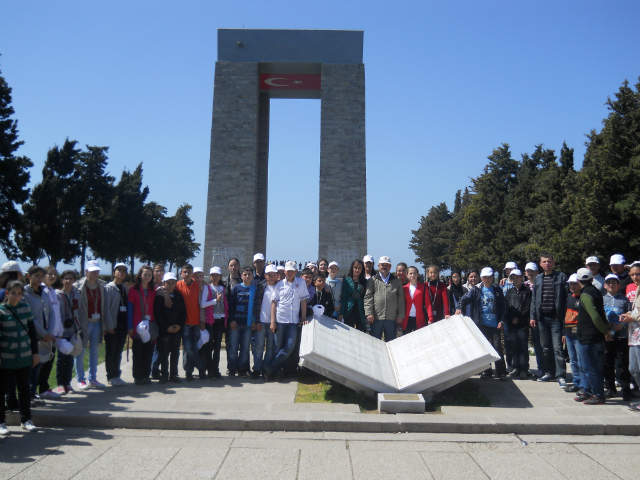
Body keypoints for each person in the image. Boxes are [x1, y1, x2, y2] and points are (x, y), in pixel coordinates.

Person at [0, 280, 39, 434]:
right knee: (1, 390)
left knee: (24, 389)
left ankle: (26, 419)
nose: (16, 296)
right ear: (7, 293)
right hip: (6, 357)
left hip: (24, 355)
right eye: (13, 293)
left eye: (19, 293)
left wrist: (35, 352)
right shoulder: (2, 310)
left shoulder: (26, 308)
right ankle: (1, 422)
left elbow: (32, 331)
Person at [456, 267, 507, 380]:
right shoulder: (476, 290)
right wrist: (459, 307)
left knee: (497, 347)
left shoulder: (497, 290)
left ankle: (501, 372)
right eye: (485, 277)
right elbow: (464, 299)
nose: (487, 279)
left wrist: (501, 320)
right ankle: (486, 371)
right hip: (481, 323)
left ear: (492, 277)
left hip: (494, 324)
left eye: (489, 277)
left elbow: (503, 307)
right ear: (482, 278)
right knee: (484, 348)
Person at [265, 261, 309, 382]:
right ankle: (277, 372)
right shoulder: (279, 285)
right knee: (277, 347)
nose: (289, 273)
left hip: (293, 321)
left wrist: (303, 317)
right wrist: (272, 321)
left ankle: (270, 367)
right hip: (280, 320)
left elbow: (303, 301)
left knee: (289, 347)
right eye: (287, 271)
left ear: (296, 272)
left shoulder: (301, 283)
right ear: (284, 272)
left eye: (292, 271)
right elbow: (274, 303)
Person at [529, 253, 569, 385]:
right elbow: (534, 299)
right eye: (544, 262)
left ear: (553, 262)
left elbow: (567, 296)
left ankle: (561, 375)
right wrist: (532, 316)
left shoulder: (561, 277)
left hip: (556, 318)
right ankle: (549, 373)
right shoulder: (538, 278)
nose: (547, 264)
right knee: (545, 348)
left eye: (549, 261)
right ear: (540, 264)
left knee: (558, 348)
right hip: (541, 318)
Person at [574, 268, 610, 405]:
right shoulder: (596, 292)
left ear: (578, 281)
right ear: (591, 279)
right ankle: (587, 391)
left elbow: (595, 315)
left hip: (589, 337)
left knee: (590, 367)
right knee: (586, 366)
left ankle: (598, 395)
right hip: (593, 336)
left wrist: (605, 330)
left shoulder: (585, 295)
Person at [74, 260, 107, 390]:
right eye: (92, 271)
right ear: (86, 271)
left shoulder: (102, 286)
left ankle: (93, 379)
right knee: (80, 352)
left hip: (97, 323)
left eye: (97, 271)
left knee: (94, 351)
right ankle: (80, 379)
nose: (95, 274)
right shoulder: (78, 287)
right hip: (84, 323)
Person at [23, 266, 54, 404]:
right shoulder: (24, 293)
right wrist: (43, 333)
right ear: (29, 276)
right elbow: (30, 318)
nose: (40, 278)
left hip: (44, 336)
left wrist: (50, 332)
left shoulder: (45, 292)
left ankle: (33, 393)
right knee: (30, 367)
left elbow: (51, 313)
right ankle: (27, 396)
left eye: (42, 275)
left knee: (38, 366)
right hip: (31, 335)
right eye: (36, 275)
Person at [602, 273, 632, 400]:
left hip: (622, 336)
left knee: (623, 363)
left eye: (614, 283)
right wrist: (605, 326)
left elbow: (630, 316)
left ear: (618, 285)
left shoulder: (624, 300)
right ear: (604, 285)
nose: (611, 285)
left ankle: (625, 389)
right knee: (607, 363)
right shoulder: (601, 299)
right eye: (609, 283)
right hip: (607, 336)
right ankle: (610, 388)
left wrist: (622, 325)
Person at [153, 272, 186, 384]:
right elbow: (158, 314)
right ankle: (164, 375)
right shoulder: (159, 298)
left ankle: (173, 374)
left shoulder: (179, 296)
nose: (171, 285)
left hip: (176, 330)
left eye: (173, 283)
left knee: (175, 353)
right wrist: (166, 327)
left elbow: (183, 313)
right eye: (168, 283)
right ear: (163, 283)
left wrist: (179, 326)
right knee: (164, 354)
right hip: (164, 331)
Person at [127, 265, 157, 385]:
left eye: (149, 275)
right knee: (138, 352)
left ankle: (146, 375)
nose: (147, 277)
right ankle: (138, 376)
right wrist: (129, 326)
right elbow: (130, 309)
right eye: (145, 274)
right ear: (140, 275)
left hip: (150, 326)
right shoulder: (133, 290)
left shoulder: (153, 290)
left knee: (148, 352)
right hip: (137, 325)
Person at [175, 264, 205, 381]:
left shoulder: (198, 286)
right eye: (184, 272)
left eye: (189, 272)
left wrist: (202, 320)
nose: (186, 274)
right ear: (181, 274)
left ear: (192, 273)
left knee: (193, 348)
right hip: (185, 322)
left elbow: (201, 305)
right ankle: (200, 366)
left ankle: (189, 372)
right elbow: (165, 289)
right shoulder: (177, 285)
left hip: (196, 322)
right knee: (188, 348)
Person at [364, 256, 404, 342]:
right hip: (376, 318)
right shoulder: (372, 280)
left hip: (392, 318)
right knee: (374, 343)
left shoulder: (397, 281)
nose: (384, 267)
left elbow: (400, 299)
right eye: (382, 265)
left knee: (391, 343)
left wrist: (400, 315)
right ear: (378, 266)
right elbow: (368, 297)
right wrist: (369, 313)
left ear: (390, 267)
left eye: (387, 265)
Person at [227, 267, 257, 378]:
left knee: (245, 349)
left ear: (252, 276)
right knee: (233, 348)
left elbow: (256, 307)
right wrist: (232, 320)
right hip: (236, 323)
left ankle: (242, 370)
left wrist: (254, 321)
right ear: (241, 276)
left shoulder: (255, 289)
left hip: (248, 324)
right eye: (245, 274)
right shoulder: (236, 288)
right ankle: (231, 369)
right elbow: (231, 305)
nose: (247, 276)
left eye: (249, 274)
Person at [38, 266, 63, 399]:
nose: (53, 276)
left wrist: (60, 330)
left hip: (55, 333)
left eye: (55, 274)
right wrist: (47, 333)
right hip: (45, 334)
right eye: (50, 274)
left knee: (49, 363)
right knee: (41, 364)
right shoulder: (41, 290)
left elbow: (56, 314)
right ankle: (39, 390)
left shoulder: (53, 291)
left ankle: (43, 388)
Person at [103, 263, 129, 387]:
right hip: (112, 326)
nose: (121, 272)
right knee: (111, 351)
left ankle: (117, 375)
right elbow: (106, 309)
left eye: (123, 271)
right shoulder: (108, 288)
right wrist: (109, 325)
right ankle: (110, 376)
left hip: (122, 325)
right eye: (119, 270)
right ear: (114, 272)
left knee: (118, 351)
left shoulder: (124, 288)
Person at [251, 264, 278, 379]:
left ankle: (265, 368)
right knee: (259, 346)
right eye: (269, 275)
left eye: (274, 275)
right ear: (265, 275)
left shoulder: (280, 287)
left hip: (273, 322)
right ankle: (256, 368)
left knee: (271, 347)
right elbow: (256, 304)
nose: (271, 277)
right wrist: (257, 321)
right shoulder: (260, 286)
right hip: (261, 321)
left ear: (277, 276)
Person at [55, 270, 80, 394]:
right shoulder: (57, 294)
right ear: (62, 280)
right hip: (61, 332)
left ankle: (68, 384)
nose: (68, 281)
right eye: (66, 278)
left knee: (70, 359)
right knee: (61, 359)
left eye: (71, 278)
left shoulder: (77, 294)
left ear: (74, 280)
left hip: (73, 330)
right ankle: (60, 384)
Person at [504, 269, 531, 379]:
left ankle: (524, 368)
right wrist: (510, 319)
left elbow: (527, 307)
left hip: (522, 324)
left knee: (523, 347)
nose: (515, 280)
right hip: (511, 324)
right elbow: (506, 307)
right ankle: (516, 367)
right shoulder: (509, 292)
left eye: (517, 277)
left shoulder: (528, 291)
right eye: (513, 278)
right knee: (513, 347)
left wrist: (518, 318)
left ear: (522, 278)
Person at [200, 267, 226, 380]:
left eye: (217, 275)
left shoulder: (223, 288)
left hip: (220, 320)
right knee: (209, 346)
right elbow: (202, 304)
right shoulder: (207, 287)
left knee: (217, 346)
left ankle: (216, 369)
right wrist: (215, 301)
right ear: (210, 276)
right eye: (213, 275)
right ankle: (210, 370)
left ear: (220, 277)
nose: (215, 277)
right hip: (211, 320)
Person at [620, 276, 640, 411]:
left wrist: (632, 317)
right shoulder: (636, 288)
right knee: (633, 368)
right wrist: (628, 313)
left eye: (638, 274)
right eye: (632, 274)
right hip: (633, 335)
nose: (635, 277)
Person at [524, 262, 544, 377]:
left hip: (538, 318)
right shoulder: (524, 285)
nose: (530, 273)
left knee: (540, 344)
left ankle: (542, 368)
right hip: (525, 319)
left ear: (537, 272)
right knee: (523, 344)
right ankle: (524, 368)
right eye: (528, 271)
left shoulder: (541, 284)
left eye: (532, 271)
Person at [339, 259, 368, 332]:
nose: (357, 270)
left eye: (359, 268)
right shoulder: (346, 280)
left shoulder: (365, 281)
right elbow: (344, 297)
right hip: (349, 309)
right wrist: (342, 313)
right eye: (355, 267)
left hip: (361, 309)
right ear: (352, 268)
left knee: (361, 332)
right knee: (348, 332)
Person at [402, 266, 432, 334]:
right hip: (406, 319)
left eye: (414, 273)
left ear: (417, 274)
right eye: (411, 273)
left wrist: (430, 317)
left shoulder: (423, 287)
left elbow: (428, 303)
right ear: (407, 275)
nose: (413, 275)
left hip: (419, 318)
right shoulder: (404, 288)